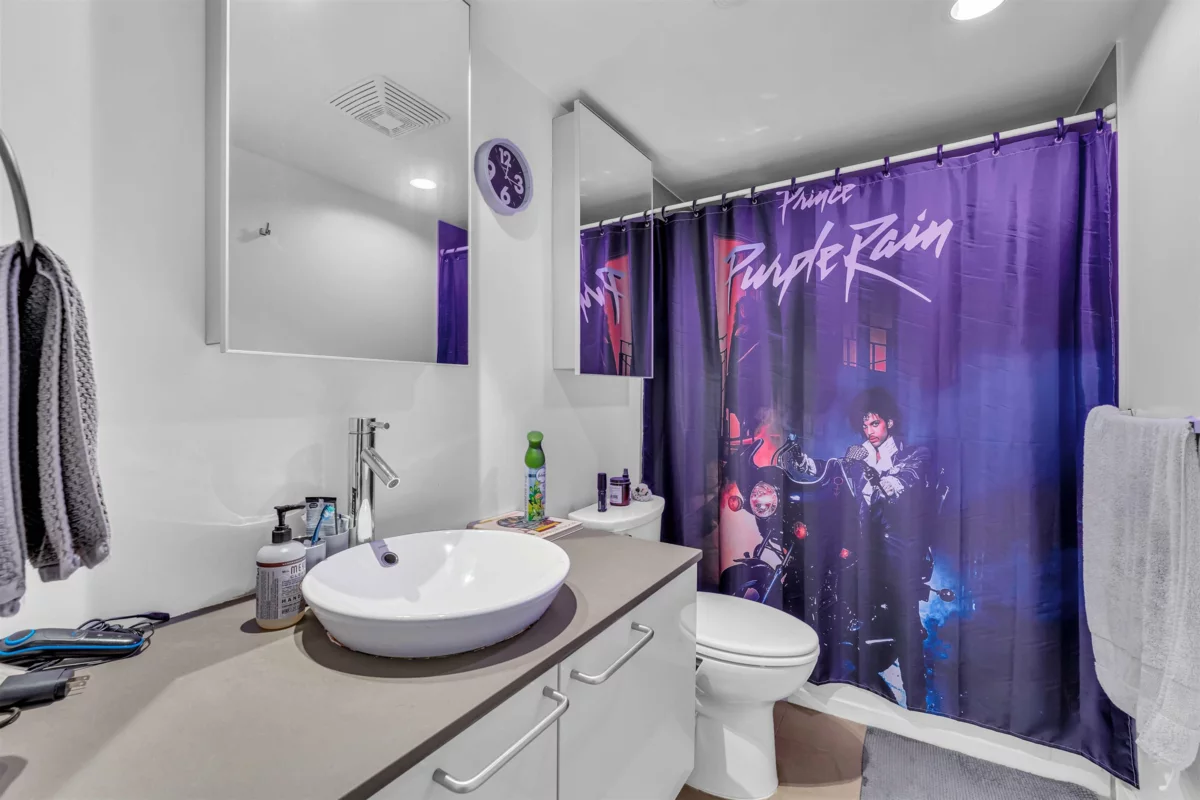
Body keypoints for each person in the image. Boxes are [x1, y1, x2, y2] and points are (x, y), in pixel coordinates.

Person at [782, 388, 933, 710]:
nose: (869, 431)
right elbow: (827, 470)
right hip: (862, 544)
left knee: (905, 619)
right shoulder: (859, 454)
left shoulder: (913, 454)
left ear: (890, 422)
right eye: (864, 425)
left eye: (874, 423)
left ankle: (917, 704)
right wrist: (801, 460)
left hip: (897, 547)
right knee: (829, 588)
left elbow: (897, 484)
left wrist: (869, 469)